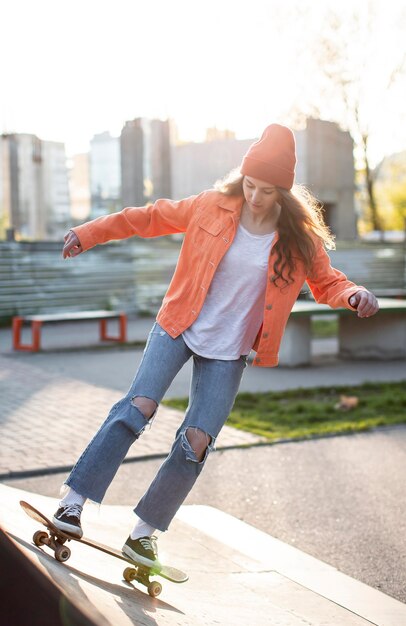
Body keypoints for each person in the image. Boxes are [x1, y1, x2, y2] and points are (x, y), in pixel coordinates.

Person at [53, 123, 379, 571]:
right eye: (249, 185)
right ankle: (73, 502)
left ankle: (144, 535)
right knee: (139, 407)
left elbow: (327, 282)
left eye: (266, 191)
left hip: (229, 350)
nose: (255, 197)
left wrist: (354, 294)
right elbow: (148, 217)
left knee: (197, 441)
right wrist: (90, 232)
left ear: (283, 192)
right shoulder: (211, 206)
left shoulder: (298, 239)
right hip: (179, 325)